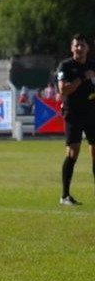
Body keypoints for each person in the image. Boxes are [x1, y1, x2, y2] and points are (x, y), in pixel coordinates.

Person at [55, 33, 95, 205]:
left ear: (87, 47)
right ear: (72, 48)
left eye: (82, 45)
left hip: (92, 112)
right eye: (76, 45)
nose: (79, 48)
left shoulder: (93, 65)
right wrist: (83, 77)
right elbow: (64, 90)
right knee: (73, 151)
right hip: (73, 114)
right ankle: (65, 195)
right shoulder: (65, 66)